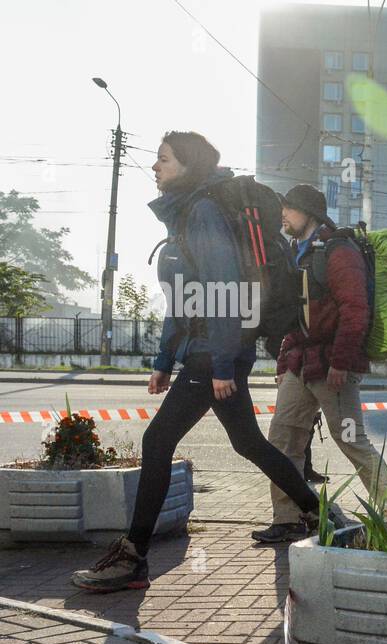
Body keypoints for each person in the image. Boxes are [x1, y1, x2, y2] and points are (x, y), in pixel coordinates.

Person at [71, 132, 328, 592]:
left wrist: (225, 363)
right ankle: (316, 511)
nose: (155, 167)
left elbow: (226, 290)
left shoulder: (203, 212)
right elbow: (184, 299)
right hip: (208, 351)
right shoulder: (187, 213)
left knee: (156, 442)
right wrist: (165, 358)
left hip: (215, 354)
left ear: (188, 166)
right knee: (248, 443)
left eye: (163, 159)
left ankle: (133, 558)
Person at [252, 185, 387, 543]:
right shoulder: (301, 253)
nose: (283, 215)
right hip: (302, 362)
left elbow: (356, 310)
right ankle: (289, 518)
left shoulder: (338, 251)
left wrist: (342, 362)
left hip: (333, 364)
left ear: (309, 212)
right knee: (284, 438)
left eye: (289, 208)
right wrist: (284, 362)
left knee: (351, 441)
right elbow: (298, 318)